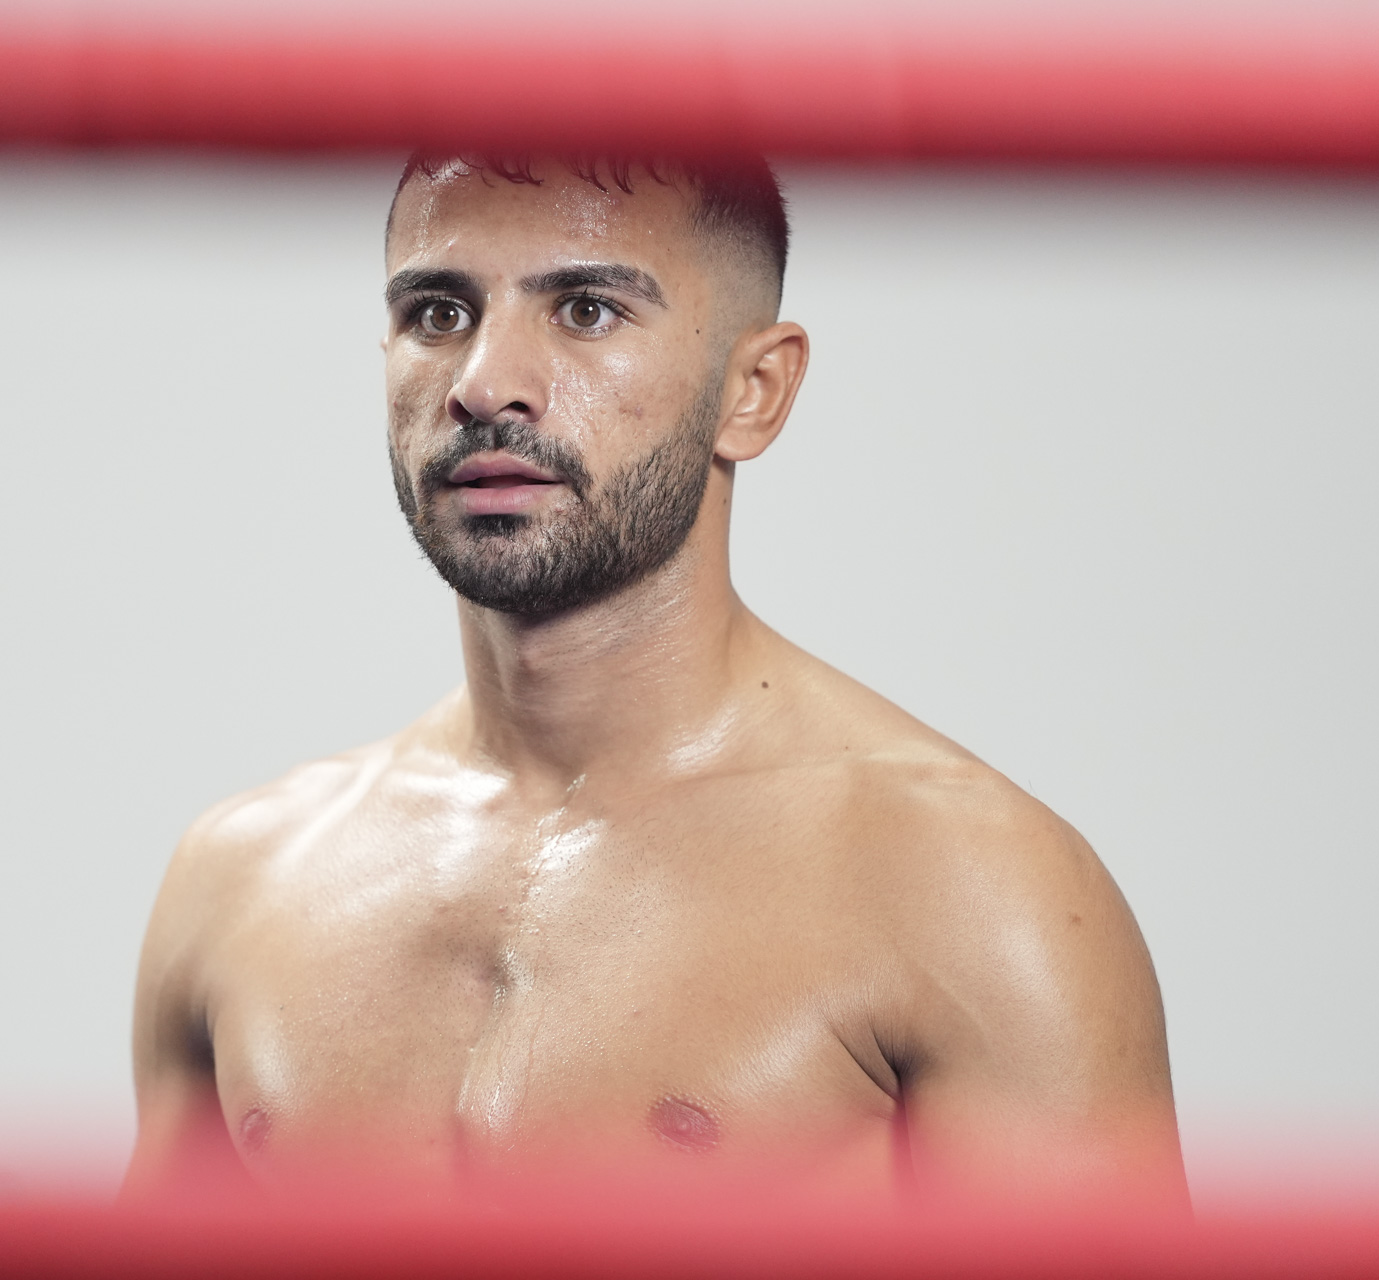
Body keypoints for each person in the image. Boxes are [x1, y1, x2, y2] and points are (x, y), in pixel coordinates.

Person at [123, 153, 1187, 1208]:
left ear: (753, 391)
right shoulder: (242, 880)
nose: (485, 383)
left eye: (585, 310)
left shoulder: (970, 890)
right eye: (439, 312)